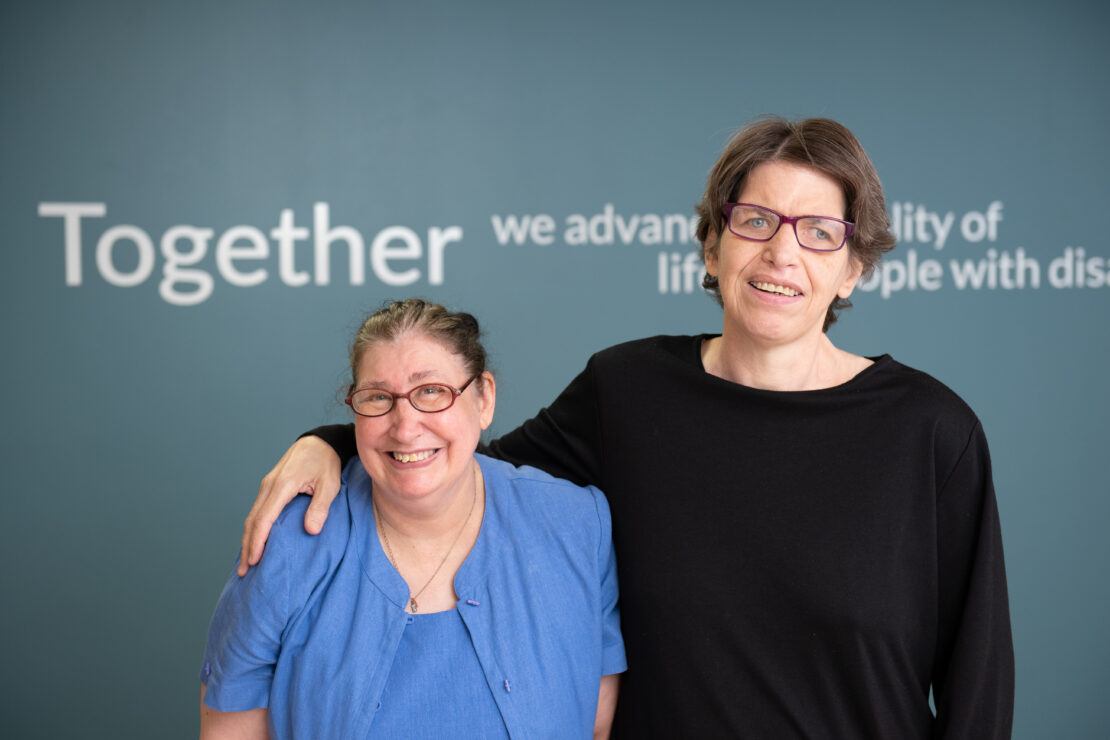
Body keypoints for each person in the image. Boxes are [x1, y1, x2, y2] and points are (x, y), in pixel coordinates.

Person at [239, 118, 1014, 737]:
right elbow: (457, 464)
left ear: (853, 267)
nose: (782, 250)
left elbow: (978, 684)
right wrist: (331, 440)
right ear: (712, 245)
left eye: (819, 231)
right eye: (756, 221)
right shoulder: (630, 392)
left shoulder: (930, 432)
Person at [200, 299, 625, 739]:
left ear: (484, 398)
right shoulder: (291, 539)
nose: (405, 427)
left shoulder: (575, 525)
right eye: (378, 398)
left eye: (431, 392)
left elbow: (595, 726)